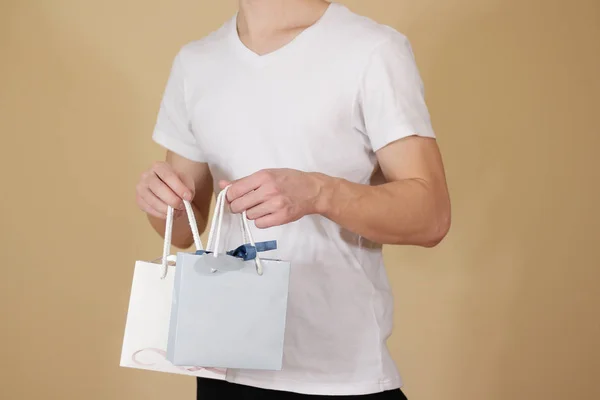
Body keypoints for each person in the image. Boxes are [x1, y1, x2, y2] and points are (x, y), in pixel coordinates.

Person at [135, 0, 451, 398]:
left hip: (339, 377)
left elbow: (432, 215)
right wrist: (163, 202)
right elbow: (184, 230)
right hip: (224, 364)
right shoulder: (196, 62)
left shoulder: (372, 50)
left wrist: (319, 192)